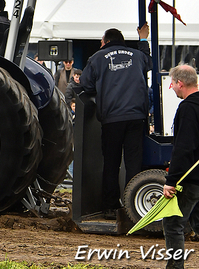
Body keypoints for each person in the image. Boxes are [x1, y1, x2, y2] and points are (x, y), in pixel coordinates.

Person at [80, 24, 152, 220]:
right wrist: (143, 40)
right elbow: (149, 63)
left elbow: (85, 84)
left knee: (111, 164)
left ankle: (111, 207)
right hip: (137, 117)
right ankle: (134, 207)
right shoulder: (136, 55)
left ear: (104, 42)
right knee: (133, 164)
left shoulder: (96, 58)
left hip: (112, 119)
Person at [162, 65, 199, 269]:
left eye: (172, 83)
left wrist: (171, 181)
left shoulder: (187, 108)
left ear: (180, 83)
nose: (171, 87)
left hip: (192, 179)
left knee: (173, 223)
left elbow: (184, 148)